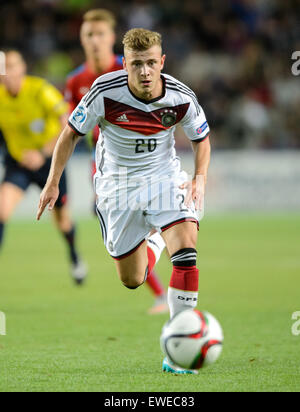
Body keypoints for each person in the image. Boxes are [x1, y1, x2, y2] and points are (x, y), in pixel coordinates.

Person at [37, 28, 211, 374]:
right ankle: (155, 237)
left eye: (150, 63)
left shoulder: (180, 97)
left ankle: (179, 343)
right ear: (125, 64)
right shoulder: (104, 92)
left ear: (161, 61)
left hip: (163, 178)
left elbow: (201, 138)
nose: (144, 71)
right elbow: (70, 134)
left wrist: (200, 176)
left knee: (187, 251)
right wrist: (52, 182)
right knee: (133, 279)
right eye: (136, 64)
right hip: (117, 188)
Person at [65, 9, 168, 314]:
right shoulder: (75, 81)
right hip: (103, 162)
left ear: (112, 39)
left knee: (121, 219)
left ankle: (161, 282)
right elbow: (69, 126)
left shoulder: (132, 68)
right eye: (88, 35)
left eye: (100, 34)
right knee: (110, 227)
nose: (95, 40)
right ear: (82, 40)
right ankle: (155, 281)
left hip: (143, 160)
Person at [0, 50, 87, 285]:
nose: (7, 72)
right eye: (3, 67)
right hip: (18, 163)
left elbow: (66, 124)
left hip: (50, 163)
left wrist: (43, 153)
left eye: (12, 65)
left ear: (22, 68)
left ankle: (75, 257)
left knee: (62, 221)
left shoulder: (40, 90)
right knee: (2, 210)